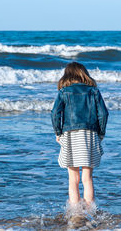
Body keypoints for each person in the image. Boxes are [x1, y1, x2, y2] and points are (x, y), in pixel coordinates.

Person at [51, 62, 108, 212]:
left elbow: (55, 113)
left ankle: (75, 212)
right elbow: (103, 113)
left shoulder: (64, 92)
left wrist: (58, 132)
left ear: (67, 75)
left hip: (70, 135)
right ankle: (90, 210)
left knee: (73, 178)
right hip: (90, 134)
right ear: (84, 74)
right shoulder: (94, 91)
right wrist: (100, 133)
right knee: (87, 178)